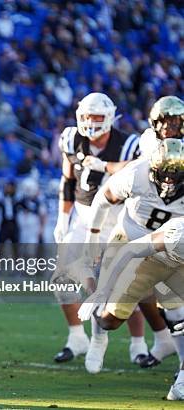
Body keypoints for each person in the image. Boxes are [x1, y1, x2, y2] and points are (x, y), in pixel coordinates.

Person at [52, 92, 145, 365]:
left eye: (96, 117)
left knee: (125, 286)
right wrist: (62, 218)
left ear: (109, 118)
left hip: (117, 220)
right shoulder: (71, 138)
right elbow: (68, 181)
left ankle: (139, 345)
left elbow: (140, 169)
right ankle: (76, 337)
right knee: (62, 279)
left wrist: (105, 166)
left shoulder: (129, 144)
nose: (90, 122)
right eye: (86, 116)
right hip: (83, 218)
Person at [81, 139, 184, 373]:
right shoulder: (137, 173)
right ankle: (98, 340)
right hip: (129, 237)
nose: (169, 181)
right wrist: (93, 236)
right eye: (164, 173)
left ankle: (181, 372)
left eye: (176, 175)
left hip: (169, 250)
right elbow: (103, 198)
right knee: (108, 310)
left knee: (176, 308)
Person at [77, 217, 184, 400]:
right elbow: (129, 250)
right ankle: (99, 317)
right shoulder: (174, 234)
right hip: (152, 263)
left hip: (180, 268)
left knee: (180, 316)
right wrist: (102, 291)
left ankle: (181, 382)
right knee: (110, 321)